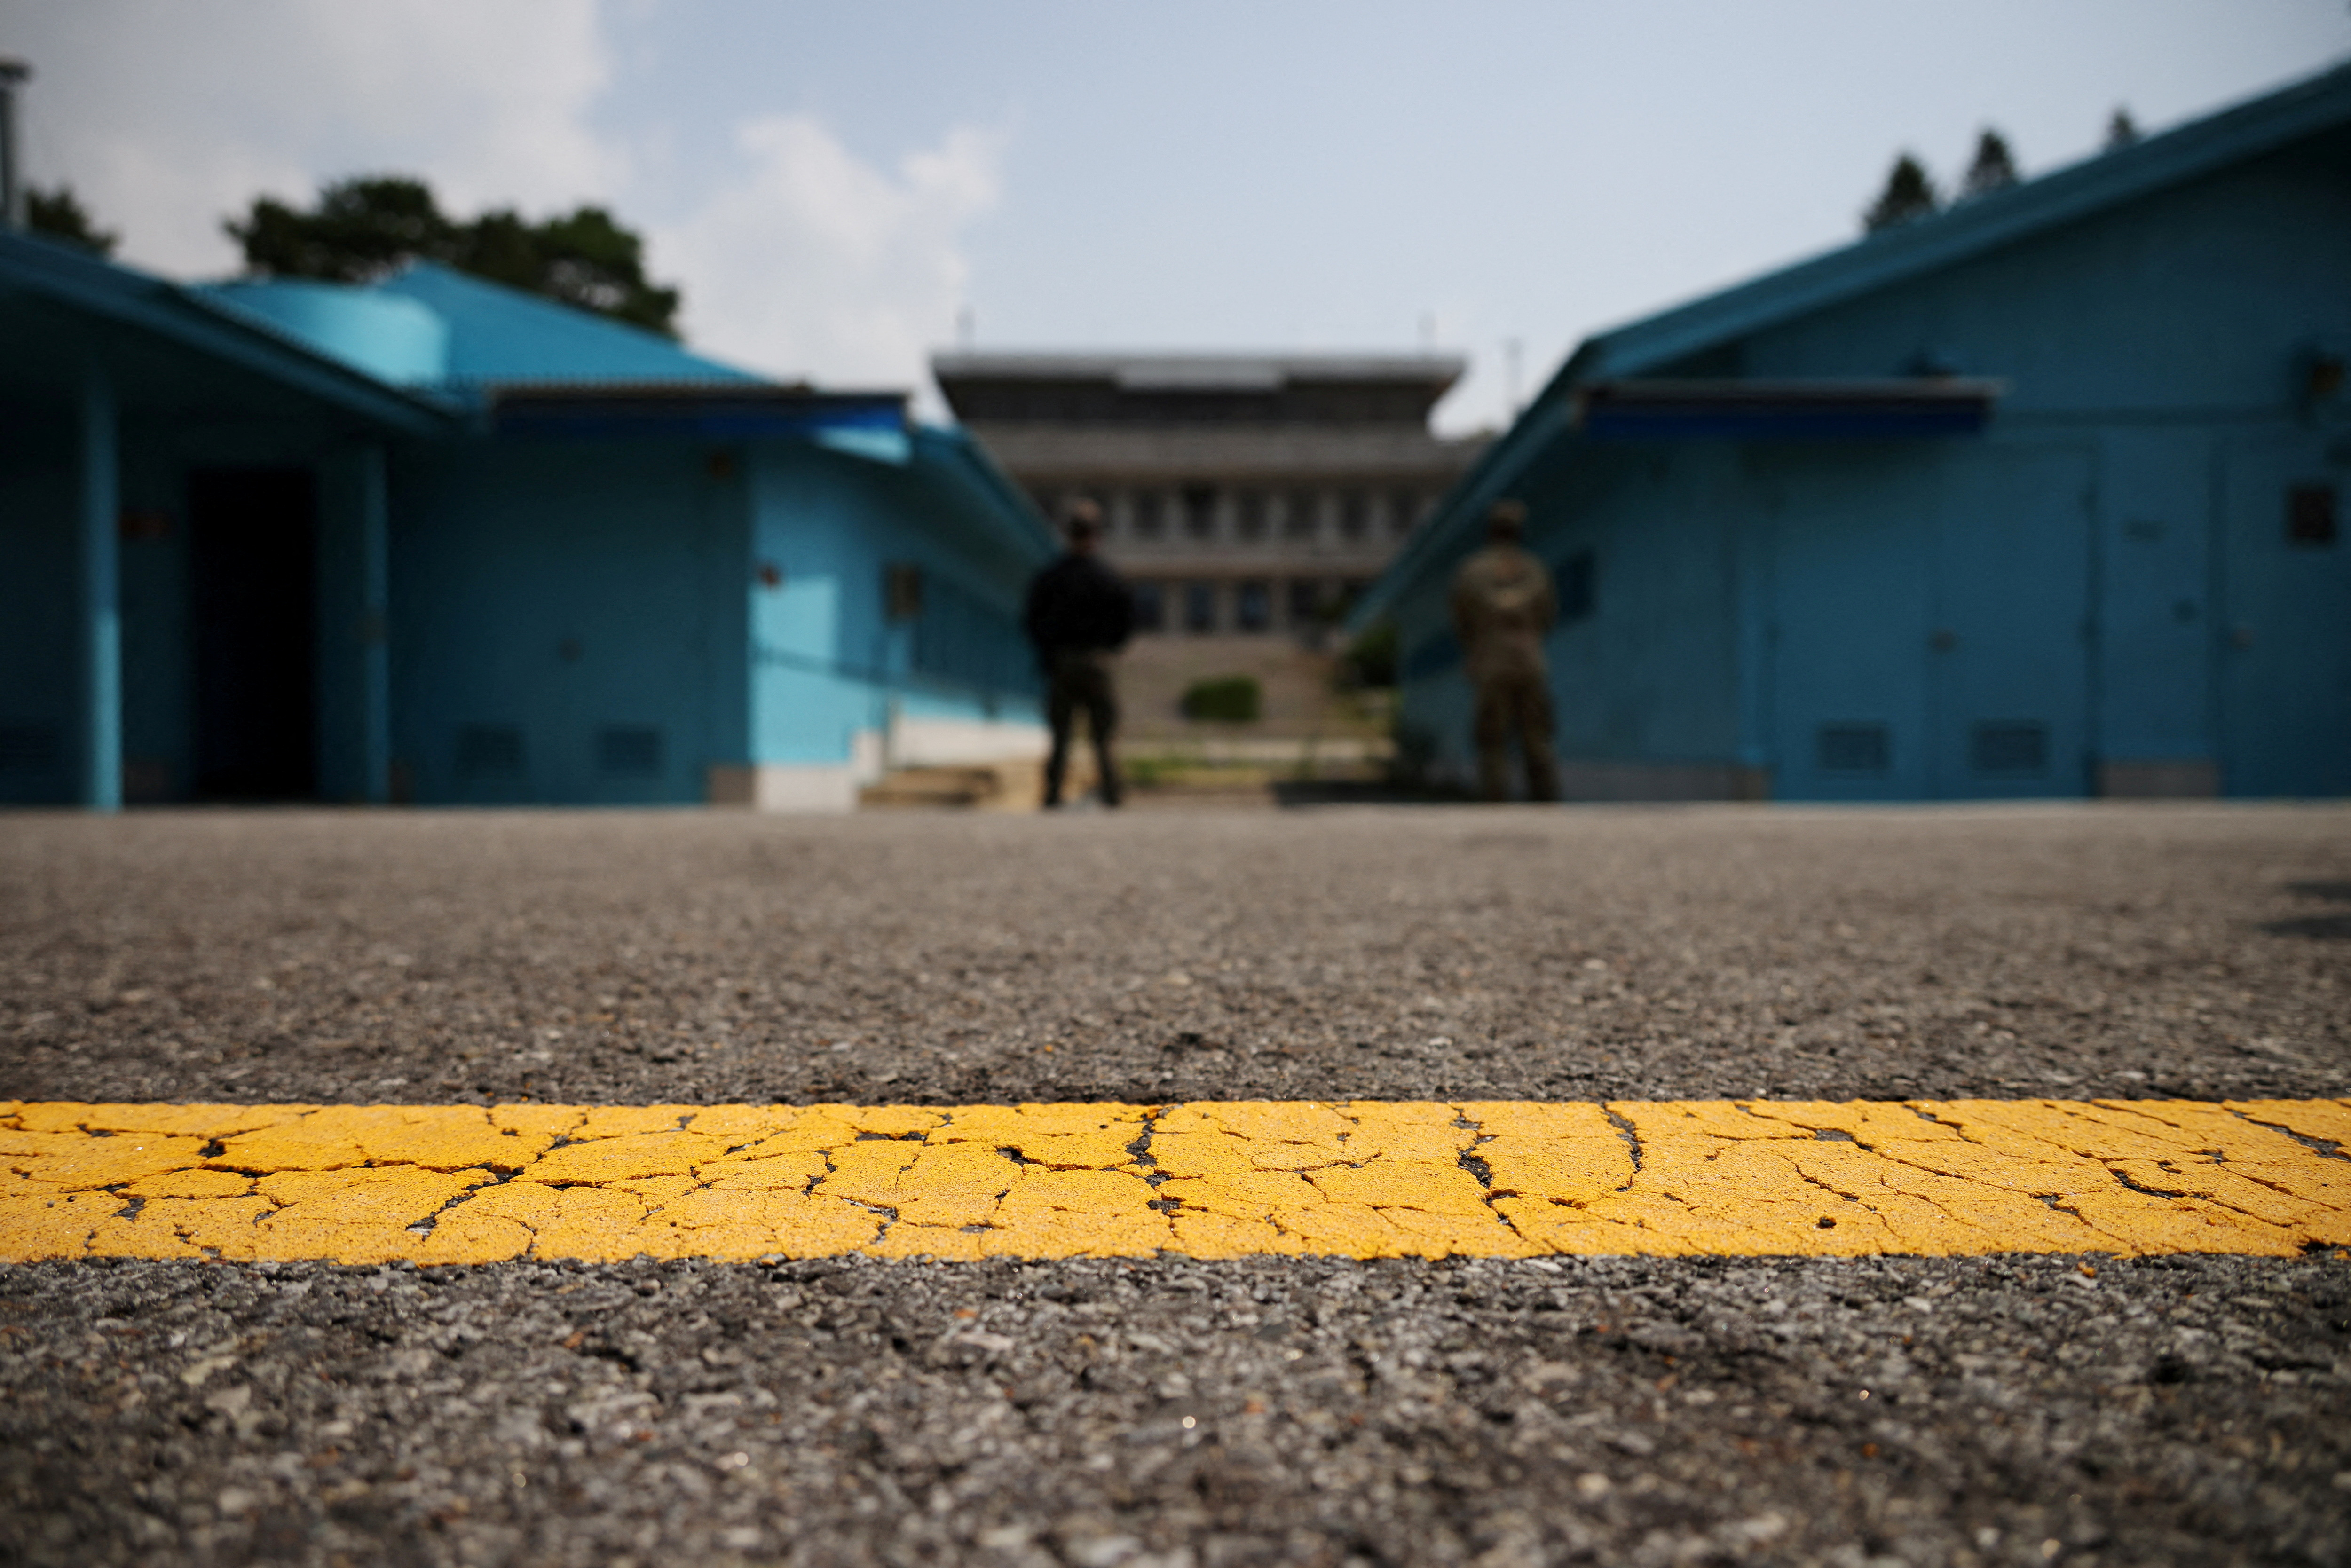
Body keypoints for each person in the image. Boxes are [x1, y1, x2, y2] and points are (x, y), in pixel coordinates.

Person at [1024, 499, 1135, 808]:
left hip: (1062, 662)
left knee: (1060, 735)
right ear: (1097, 534)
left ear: (1067, 533)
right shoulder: (1109, 578)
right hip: (1097, 662)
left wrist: (1048, 654)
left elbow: (1032, 620)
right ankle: (1112, 795)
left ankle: (1052, 794)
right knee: (1103, 737)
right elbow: (1126, 623)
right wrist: (1109, 649)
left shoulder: (1051, 577)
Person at [1450, 499, 1561, 802]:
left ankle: (1494, 799)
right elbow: (1548, 615)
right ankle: (1545, 800)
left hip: (1490, 661)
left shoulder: (1472, 571)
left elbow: (1461, 621)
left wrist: (1475, 649)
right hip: (1529, 659)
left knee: (1491, 737)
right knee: (1537, 733)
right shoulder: (1535, 570)